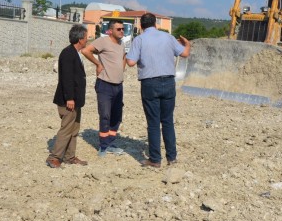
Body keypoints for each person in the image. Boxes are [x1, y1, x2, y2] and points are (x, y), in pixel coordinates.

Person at [126, 13, 190, 168]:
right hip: (168, 82)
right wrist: (187, 44)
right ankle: (172, 157)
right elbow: (185, 53)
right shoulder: (168, 37)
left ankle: (155, 159)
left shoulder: (139, 40)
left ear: (141, 26)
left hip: (150, 83)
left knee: (153, 122)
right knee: (167, 121)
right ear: (156, 24)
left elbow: (130, 62)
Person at [46, 24, 89, 168]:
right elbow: (67, 78)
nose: (87, 39)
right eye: (86, 37)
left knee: (74, 129)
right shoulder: (67, 53)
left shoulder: (75, 53)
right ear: (80, 39)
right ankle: (55, 157)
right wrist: (70, 97)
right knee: (66, 129)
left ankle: (70, 157)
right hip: (68, 101)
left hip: (76, 100)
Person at [82, 20, 126, 157]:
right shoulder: (103, 41)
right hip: (105, 84)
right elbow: (85, 50)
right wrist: (97, 64)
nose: (122, 31)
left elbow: (124, 57)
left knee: (116, 116)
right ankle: (103, 146)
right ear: (111, 30)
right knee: (105, 115)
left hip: (119, 85)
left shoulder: (122, 44)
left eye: (123, 29)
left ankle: (111, 143)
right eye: (119, 29)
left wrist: (121, 69)